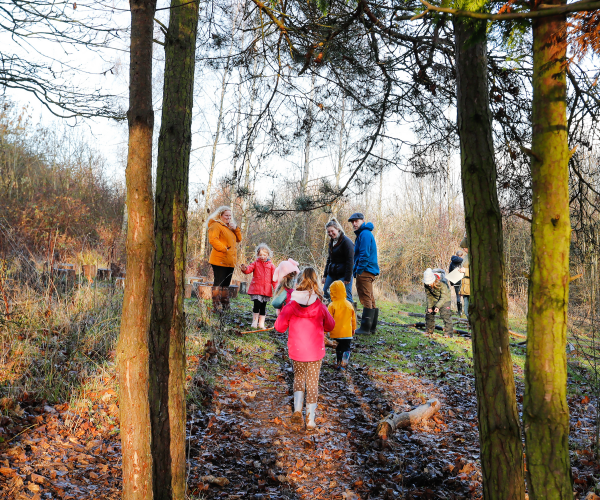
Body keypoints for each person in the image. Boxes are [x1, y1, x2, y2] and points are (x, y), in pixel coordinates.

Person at [274, 267, 335, 431]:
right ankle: (310, 421)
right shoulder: (321, 307)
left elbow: (279, 327)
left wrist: (283, 317)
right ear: (316, 284)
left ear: (299, 282)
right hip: (315, 353)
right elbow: (331, 325)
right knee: (312, 383)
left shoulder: (291, 306)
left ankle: (298, 409)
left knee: (299, 379)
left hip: (297, 351)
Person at [348, 213, 380, 334]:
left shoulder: (365, 234)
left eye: (356, 221)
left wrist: (359, 270)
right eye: (352, 222)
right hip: (368, 270)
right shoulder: (364, 233)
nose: (354, 224)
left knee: (366, 297)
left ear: (362, 220)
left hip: (365, 270)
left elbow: (364, 254)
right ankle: (372, 327)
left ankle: (365, 328)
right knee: (370, 297)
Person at [207, 206, 242, 311]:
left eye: (230, 215)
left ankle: (225, 305)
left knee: (226, 284)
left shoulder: (230, 227)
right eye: (226, 215)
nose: (228, 217)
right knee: (219, 283)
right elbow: (213, 240)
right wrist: (224, 249)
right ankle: (216, 306)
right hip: (219, 260)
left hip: (230, 261)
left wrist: (235, 228)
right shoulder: (215, 225)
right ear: (220, 215)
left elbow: (239, 239)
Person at [241, 243, 276, 329]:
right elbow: (248, 269)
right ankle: (254, 322)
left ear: (268, 254)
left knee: (263, 307)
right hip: (256, 289)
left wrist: (276, 288)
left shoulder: (271, 266)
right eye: (260, 255)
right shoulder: (255, 263)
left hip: (266, 290)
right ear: (257, 255)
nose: (262, 257)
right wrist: (244, 269)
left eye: (264, 255)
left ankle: (261, 323)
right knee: (257, 305)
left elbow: (274, 279)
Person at [322, 218, 354, 304]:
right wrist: (325, 275)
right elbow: (329, 260)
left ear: (337, 229)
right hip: (332, 273)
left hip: (344, 274)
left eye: (332, 231)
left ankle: (351, 316)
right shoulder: (331, 243)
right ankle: (329, 314)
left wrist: (347, 277)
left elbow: (350, 261)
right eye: (328, 232)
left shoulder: (346, 242)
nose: (330, 233)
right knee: (324, 293)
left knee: (346, 297)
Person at [326, 280, 356, 370]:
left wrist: (325, 331)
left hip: (336, 333)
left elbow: (328, 320)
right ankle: (344, 363)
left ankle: (338, 362)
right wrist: (353, 329)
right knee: (346, 348)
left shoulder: (331, 305)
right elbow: (353, 319)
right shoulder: (349, 304)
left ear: (332, 293)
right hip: (347, 333)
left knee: (338, 348)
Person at [423, 268, 453, 337]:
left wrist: (437, 306)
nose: (429, 285)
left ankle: (448, 333)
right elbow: (429, 296)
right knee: (429, 312)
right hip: (434, 298)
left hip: (445, 298)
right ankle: (429, 330)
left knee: (445, 315)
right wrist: (430, 307)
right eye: (427, 283)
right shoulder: (426, 284)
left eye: (430, 283)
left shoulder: (442, 283)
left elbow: (443, 297)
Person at [449, 250, 464, 316]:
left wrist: (452, 283)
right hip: (463, 281)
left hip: (455, 280)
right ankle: (466, 311)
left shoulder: (452, 262)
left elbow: (450, 272)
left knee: (458, 296)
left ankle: (459, 312)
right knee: (465, 296)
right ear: (462, 255)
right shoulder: (463, 261)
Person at [459, 237, 470, 320]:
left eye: (465, 248)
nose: (464, 250)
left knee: (469, 312)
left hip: (471, 288)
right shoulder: (466, 256)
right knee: (466, 311)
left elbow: (477, 271)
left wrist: (465, 270)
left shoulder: (474, 257)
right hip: (465, 287)